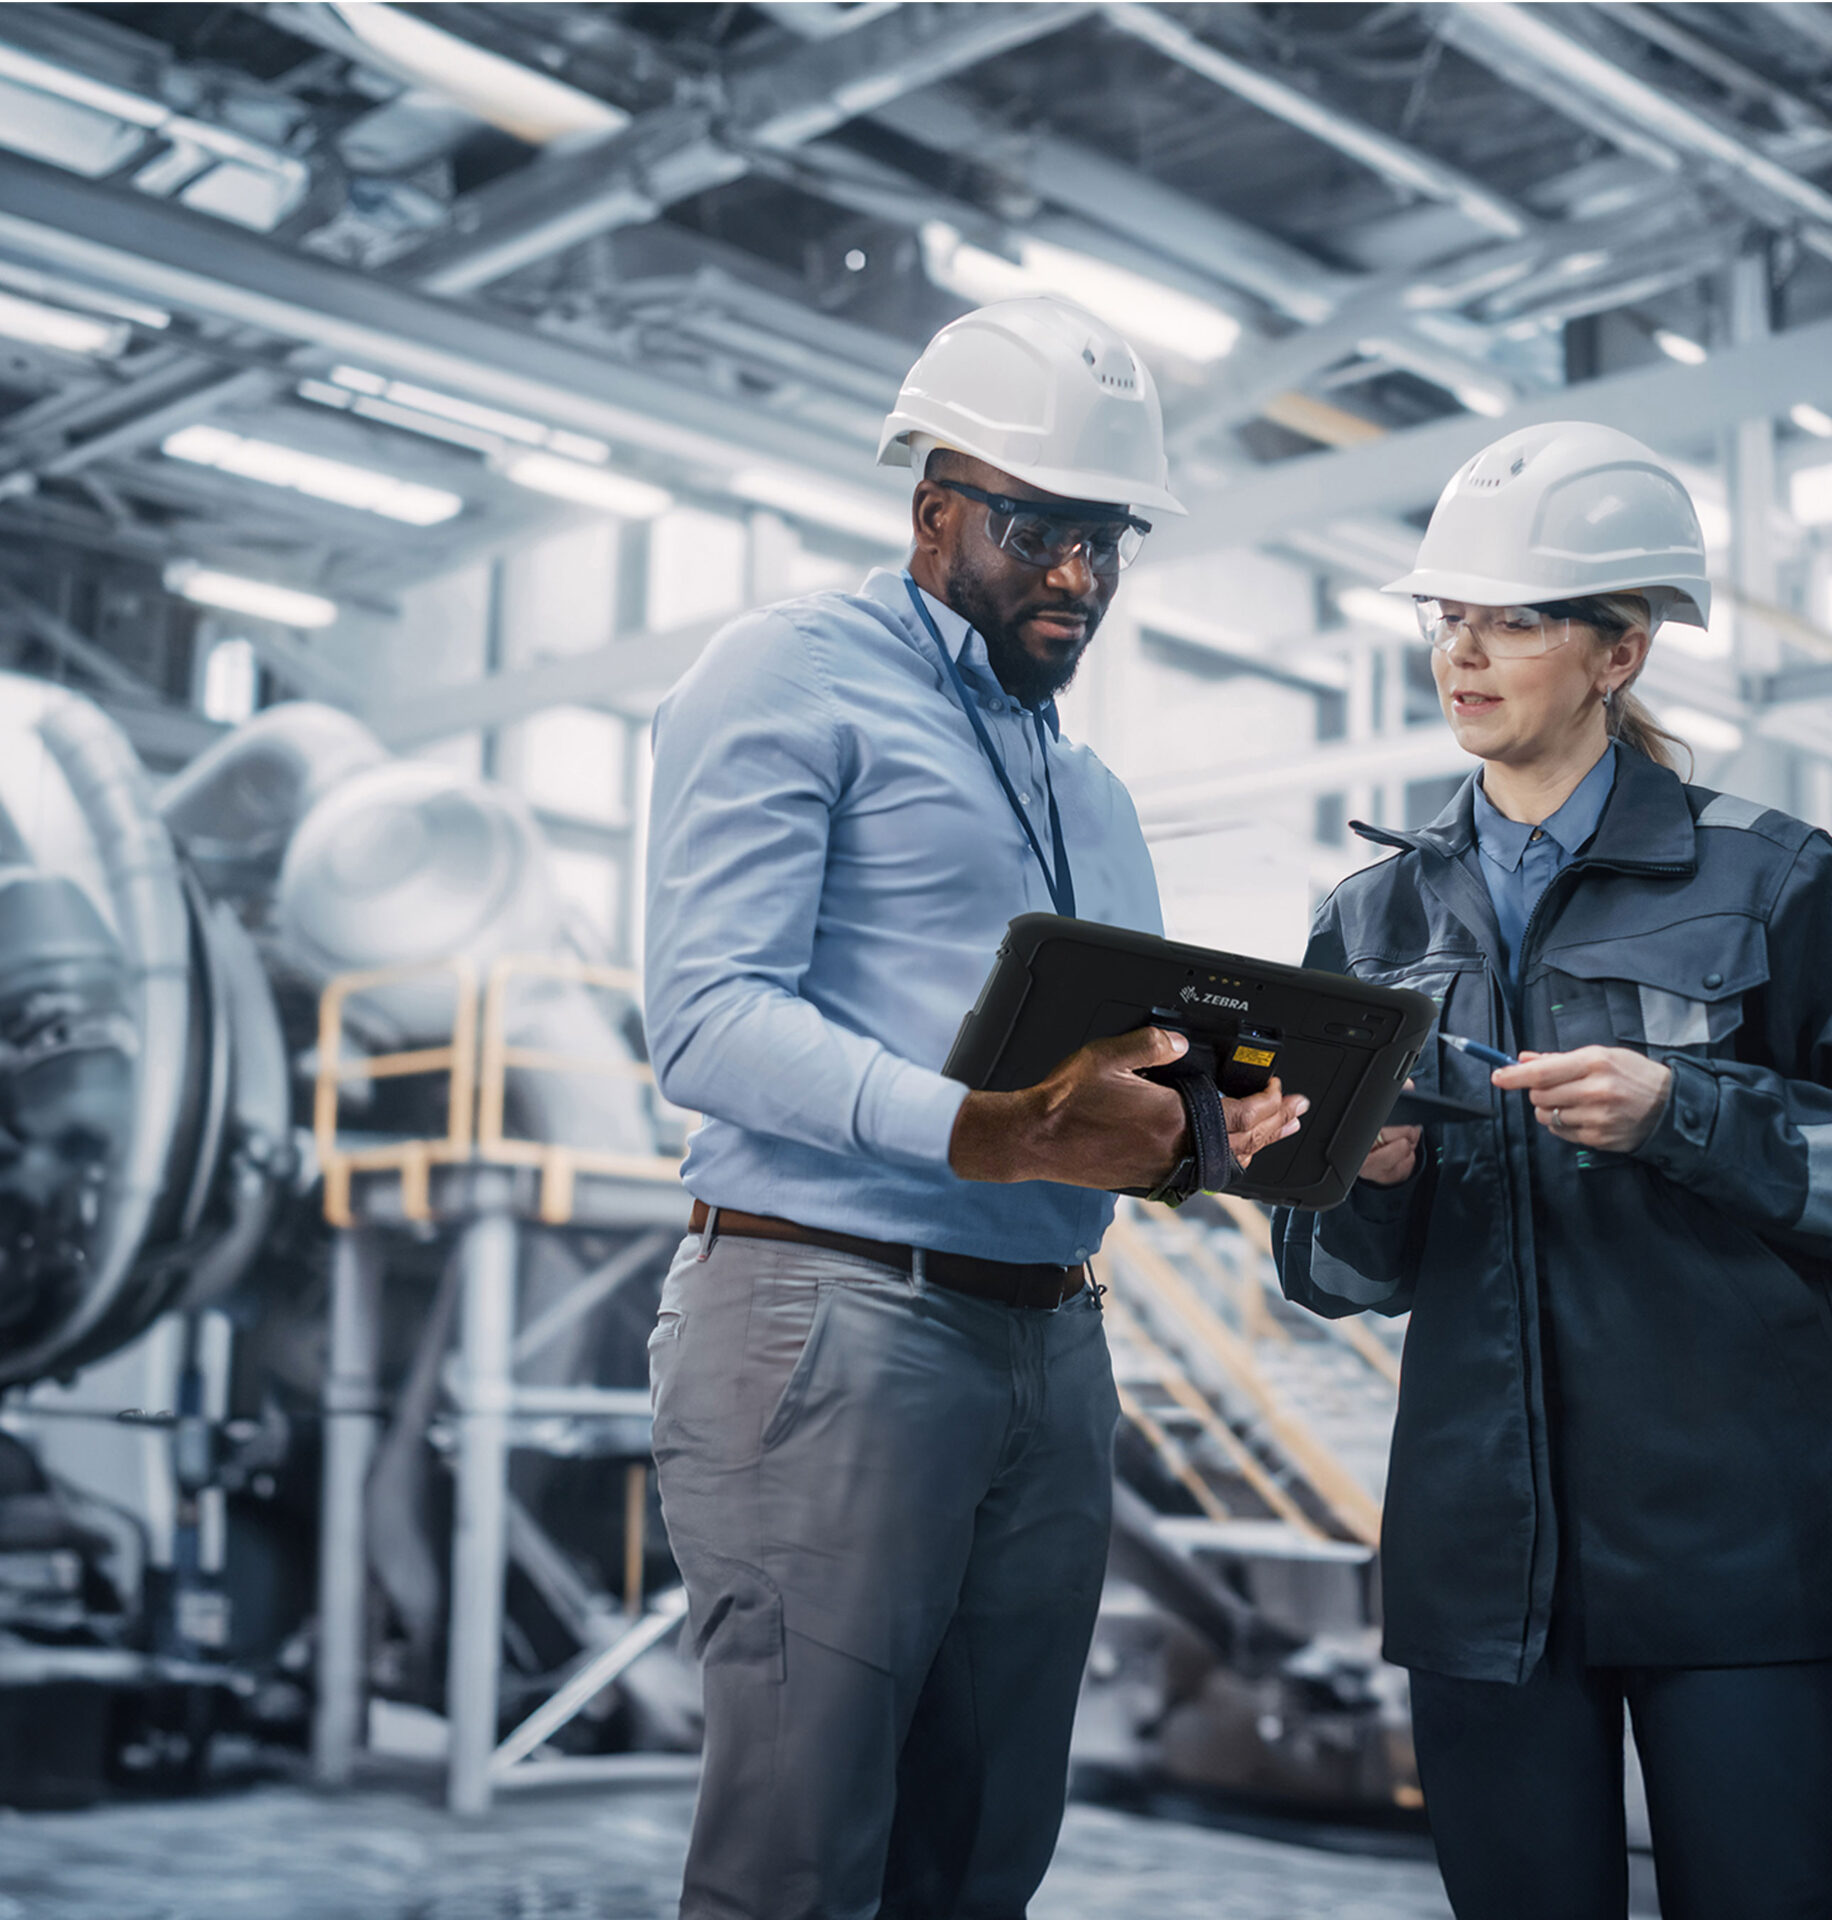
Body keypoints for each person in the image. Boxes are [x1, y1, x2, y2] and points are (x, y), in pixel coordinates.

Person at [642, 295, 1304, 1920]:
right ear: (934, 506)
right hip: (832, 1312)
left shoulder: (1089, 788)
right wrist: (988, 1128)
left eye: (1107, 539)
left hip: (1052, 1339)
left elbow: (1128, 1068)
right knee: (803, 1855)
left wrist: (1253, 1123)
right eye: (1038, 530)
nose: (1078, 576)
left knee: (986, 1851)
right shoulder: (789, 675)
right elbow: (707, 1016)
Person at [1273, 421, 1832, 1920]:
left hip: (1744, 1562)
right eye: (1446, 616)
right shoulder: (1367, 925)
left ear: (1621, 653)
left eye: (1513, 619)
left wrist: (1689, 1114)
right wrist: (1372, 1176)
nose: (1461, 653)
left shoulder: (1777, 879)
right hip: (1484, 1571)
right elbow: (1329, 1277)